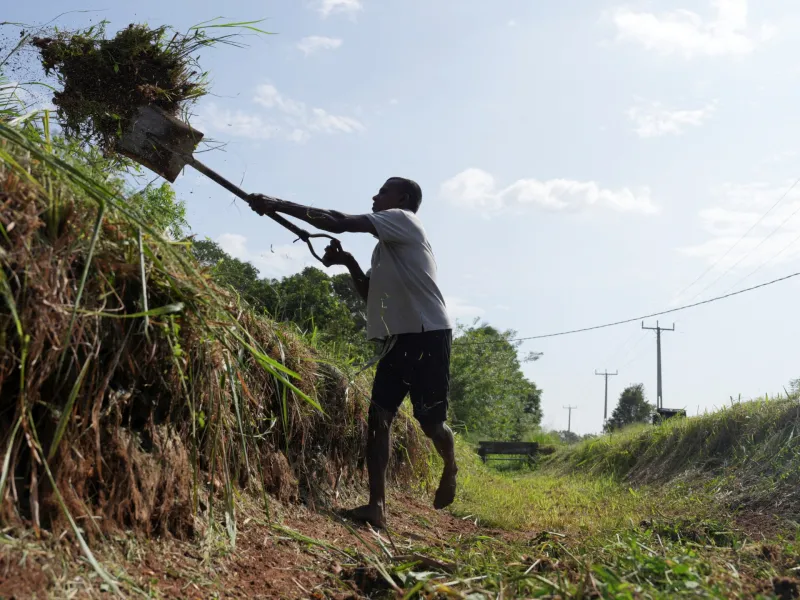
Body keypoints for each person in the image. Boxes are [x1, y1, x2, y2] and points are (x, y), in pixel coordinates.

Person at [247, 177, 458, 528]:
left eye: (383, 191)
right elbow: (369, 293)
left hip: (427, 334)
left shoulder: (403, 220)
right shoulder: (387, 245)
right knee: (379, 420)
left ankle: (450, 465)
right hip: (397, 340)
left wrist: (277, 203)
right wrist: (348, 262)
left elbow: (337, 221)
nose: (375, 196)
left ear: (402, 199)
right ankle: (377, 507)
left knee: (431, 423)